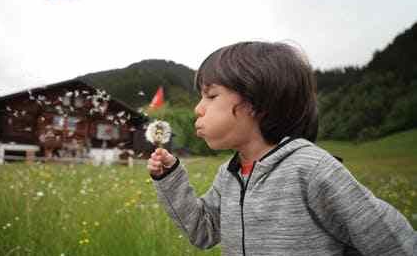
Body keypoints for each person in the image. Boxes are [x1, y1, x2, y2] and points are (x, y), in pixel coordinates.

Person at [147, 41, 416, 256]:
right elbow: (201, 231)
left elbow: (392, 241)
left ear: (256, 103)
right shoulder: (229, 175)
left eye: (211, 95)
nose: (198, 108)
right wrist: (169, 178)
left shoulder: (312, 169)